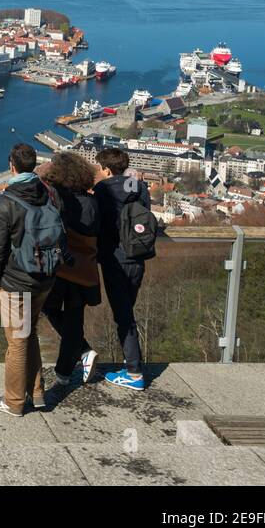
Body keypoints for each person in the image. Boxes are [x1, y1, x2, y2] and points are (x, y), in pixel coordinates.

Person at [0, 143, 61, 416]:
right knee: (30, 334)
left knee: (17, 342)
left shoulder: (6, 203)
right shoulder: (50, 194)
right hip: (47, 276)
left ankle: (14, 402)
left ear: (11, 166)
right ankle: (37, 393)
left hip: (16, 280)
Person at [38, 151, 101, 386]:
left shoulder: (57, 200)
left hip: (61, 266)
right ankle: (65, 371)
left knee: (50, 308)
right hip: (85, 267)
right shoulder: (93, 202)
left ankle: (83, 351)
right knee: (75, 317)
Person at [93, 146, 153, 391]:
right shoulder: (139, 188)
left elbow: (95, 221)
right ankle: (131, 366)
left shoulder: (102, 190)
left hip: (114, 260)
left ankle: (134, 371)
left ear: (106, 169)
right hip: (138, 257)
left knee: (124, 317)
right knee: (126, 311)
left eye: (100, 168)